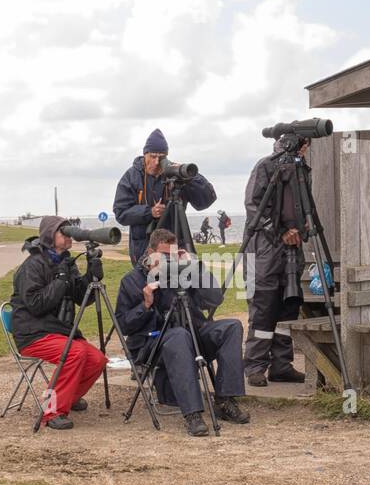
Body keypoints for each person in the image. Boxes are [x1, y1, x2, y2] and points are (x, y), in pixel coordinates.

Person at [116, 228, 249, 436]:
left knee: (231, 327)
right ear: (150, 252)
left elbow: (214, 299)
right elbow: (124, 325)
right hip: (155, 345)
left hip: (193, 336)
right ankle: (193, 414)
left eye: (173, 255)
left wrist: (195, 267)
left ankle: (225, 400)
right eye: (164, 256)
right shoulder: (132, 280)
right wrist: (145, 304)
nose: (169, 261)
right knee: (178, 335)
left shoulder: (185, 273)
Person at [8, 215, 108, 430]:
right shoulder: (33, 265)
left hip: (57, 330)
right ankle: (52, 409)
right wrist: (61, 280)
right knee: (74, 354)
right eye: (64, 232)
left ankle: (68, 396)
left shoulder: (65, 262)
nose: (70, 236)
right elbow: (36, 304)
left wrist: (92, 275)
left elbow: (82, 298)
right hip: (32, 332)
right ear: (49, 237)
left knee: (97, 360)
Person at [242, 136, 308, 386]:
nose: (305, 152)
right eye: (303, 147)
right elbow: (253, 207)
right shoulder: (265, 166)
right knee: (262, 308)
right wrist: (280, 231)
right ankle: (255, 366)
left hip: (290, 250)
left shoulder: (302, 169)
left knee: (287, 307)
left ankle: (281, 365)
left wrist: (303, 227)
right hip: (262, 251)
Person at [113, 128, 217, 263]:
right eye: (152, 156)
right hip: (144, 247)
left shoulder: (175, 174)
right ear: (145, 154)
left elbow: (206, 200)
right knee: (148, 282)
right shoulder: (132, 177)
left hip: (175, 247)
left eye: (161, 157)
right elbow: (121, 213)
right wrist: (149, 212)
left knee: (182, 280)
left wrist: (190, 177)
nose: (156, 162)